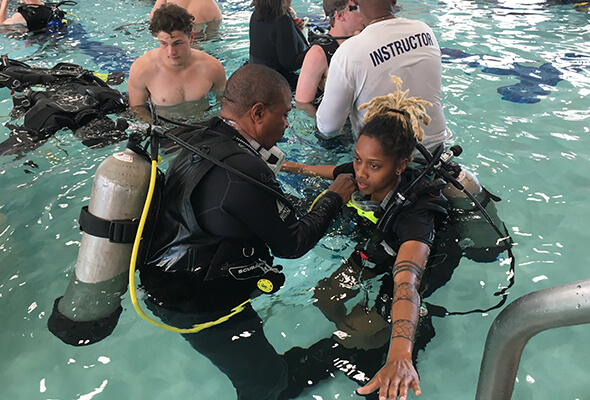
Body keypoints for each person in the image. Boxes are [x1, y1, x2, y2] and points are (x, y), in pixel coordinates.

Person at [138, 64, 356, 400]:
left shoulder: (201, 138)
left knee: (257, 366)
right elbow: (293, 243)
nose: (286, 125)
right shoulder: (244, 171)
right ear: (257, 113)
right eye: (283, 115)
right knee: (265, 385)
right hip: (197, 303)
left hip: (169, 278)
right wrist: (334, 197)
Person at [282, 76, 462, 400]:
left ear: (400, 166)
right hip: (384, 242)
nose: (361, 173)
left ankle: (385, 341)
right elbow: (337, 172)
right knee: (324, 294)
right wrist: (287, 165)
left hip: (419, 258)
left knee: (359, 327)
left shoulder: (416, 214)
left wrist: (400, 353)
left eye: (374, 166)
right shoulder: (363, 174)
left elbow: (407, 282)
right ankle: (361, 335)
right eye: (358, 159)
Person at [315, 0, 450, 150]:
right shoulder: (425, 31)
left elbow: (328, 127)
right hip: (437, 149)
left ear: (353, 2)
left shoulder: (349, 52)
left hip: (383, 160)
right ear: (395, 1)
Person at [127, 3, 226, 122]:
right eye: (164, 43)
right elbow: (137, 108)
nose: (171, 52)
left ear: (191, 38)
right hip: (164, 129)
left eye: (177, 43)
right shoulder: (142, 69)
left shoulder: (212, 68)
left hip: (203, 126)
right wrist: (154, 127)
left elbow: (224, 104)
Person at [295, 0, 365, 116]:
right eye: (356, 8)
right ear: (339, 15)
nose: (365, 12)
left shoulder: (366, 41)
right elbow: (303, 104)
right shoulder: (318, 54)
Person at [249, 0, 309, 89]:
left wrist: (294, 29)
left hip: (255, 75)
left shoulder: (256, 14)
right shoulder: (282, 19)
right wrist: (315, 48)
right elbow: (290, 64)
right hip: (277, 83)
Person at [149, 0, 221, 37]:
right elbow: (212, 37)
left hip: (165, 34)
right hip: (193, 38)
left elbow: (153, 18)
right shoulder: (213, 9)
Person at [0, 0, 66, 32]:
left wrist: (4, 3)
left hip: (38, 45)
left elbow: (1, 27)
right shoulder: (54, 7)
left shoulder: (21, 16)